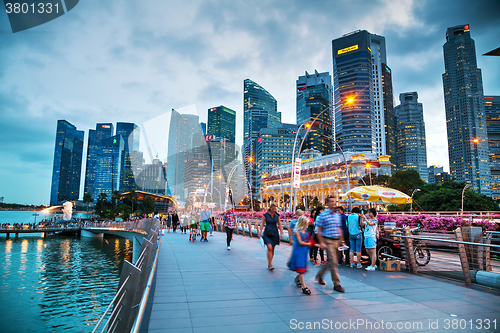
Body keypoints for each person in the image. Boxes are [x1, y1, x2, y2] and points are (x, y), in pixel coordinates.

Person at [314, 196, 345, 293]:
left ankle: (320, 275)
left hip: (337, 240)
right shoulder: (322, 215)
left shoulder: (337, 215)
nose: (333, 203)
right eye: (331, 201)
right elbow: (318, 230)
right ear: (326, 203)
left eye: (334, 201)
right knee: (334, 262)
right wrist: (322, 242)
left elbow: (339, 228)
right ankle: (337, 284)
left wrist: (342, 241)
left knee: (331, 261)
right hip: (328, 240)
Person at [287, 215, 312, 295]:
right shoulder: (297, 231)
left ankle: (298, 279)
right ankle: (304, 287)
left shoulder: (306, 231)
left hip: (304, 251)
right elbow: (300, 242)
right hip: (299, 252)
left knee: (303, 269)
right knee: (302, 270)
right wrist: (309, 243)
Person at [259, 204, 284, 270]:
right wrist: (260, 232)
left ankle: (270, 262)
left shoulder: (277, 215)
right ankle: (270, 264)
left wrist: (281, 233)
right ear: (270, 208)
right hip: (267, 232)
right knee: (269, 248)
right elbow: (262, 224)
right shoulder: (265, 215)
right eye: (273, 208)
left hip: (274, 232)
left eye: (275, 208)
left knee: (272, 248)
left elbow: (279, 224)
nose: (274, 210)